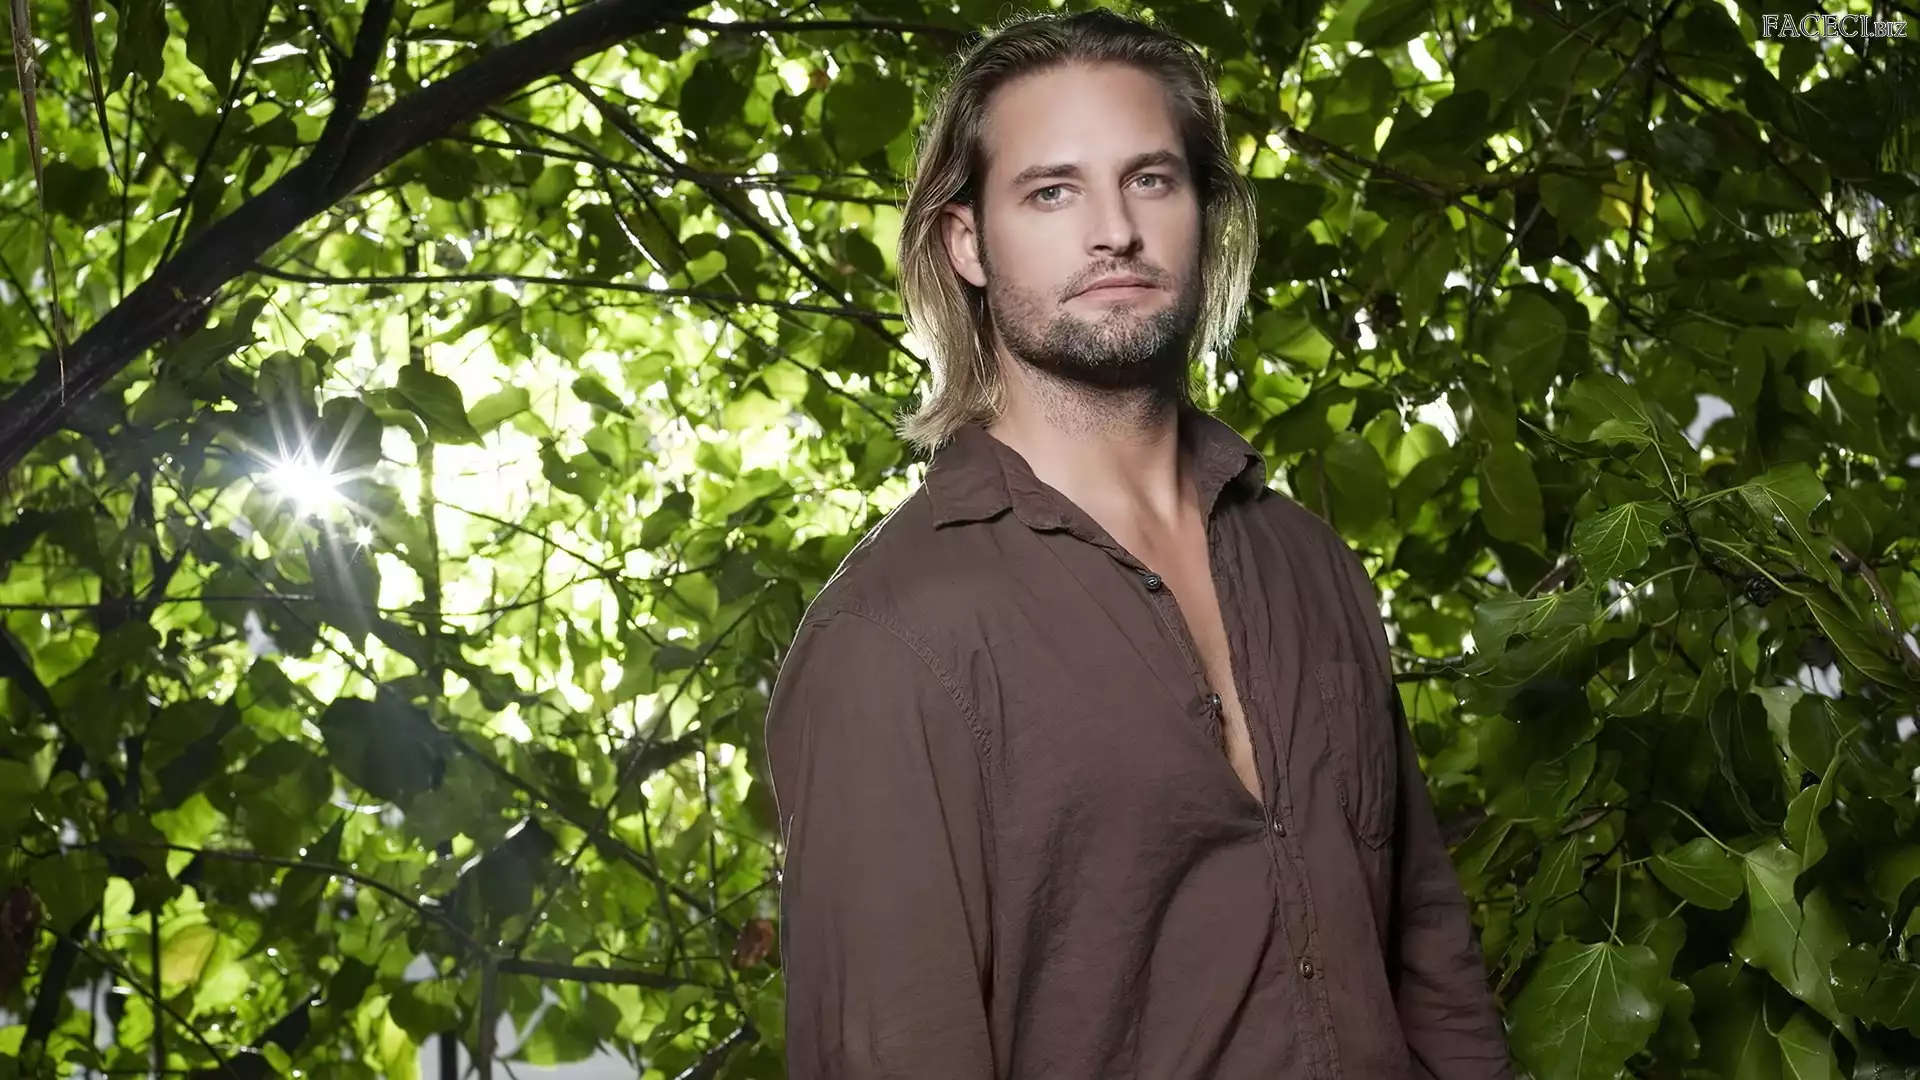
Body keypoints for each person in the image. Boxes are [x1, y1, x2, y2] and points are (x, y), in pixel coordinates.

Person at [762, 9, 1513, 1079]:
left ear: (1204, 210)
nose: (1113, 229)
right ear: (967, 242)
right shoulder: (892, 641)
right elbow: (889, 1050)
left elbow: (1433, 965)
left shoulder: (1311, 563)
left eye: (1151, 179)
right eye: (1052, 191)